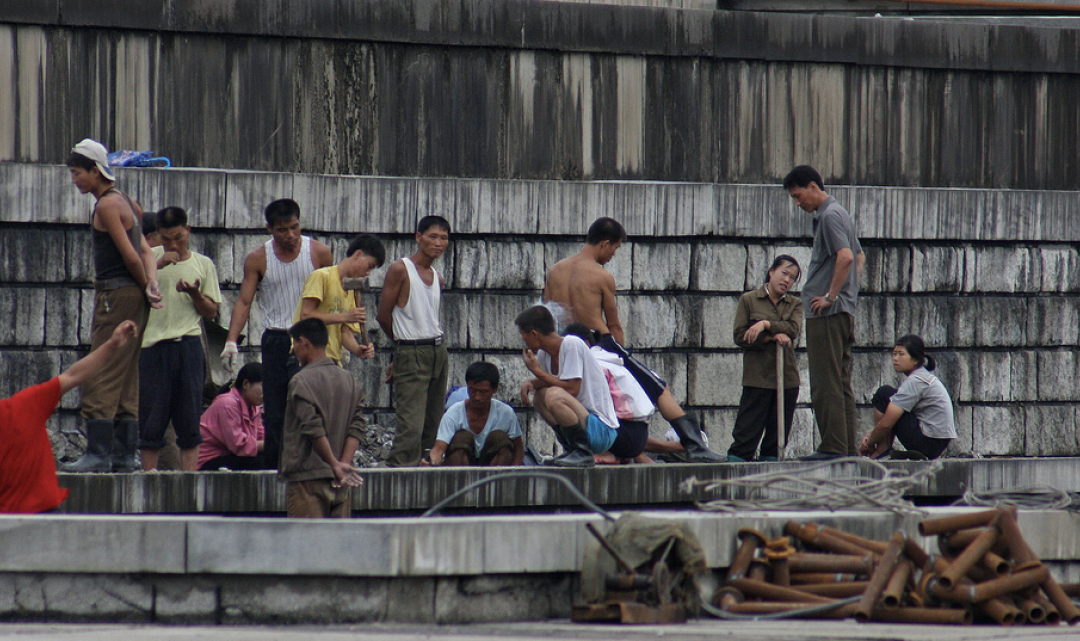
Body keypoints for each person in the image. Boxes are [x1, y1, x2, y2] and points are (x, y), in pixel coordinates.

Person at [544, 217, 722, 462]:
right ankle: (695, 447)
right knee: (659, 388)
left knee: (581, 403)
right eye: (615, 250)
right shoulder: (600, 275)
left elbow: (547, 316)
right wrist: (620, 358)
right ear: (605, 244)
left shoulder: (555, 271)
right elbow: (614, 323)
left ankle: (582, 449)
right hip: (600, 343)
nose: (612, 256)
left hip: (566, 346)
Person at [62, 139, 163, 473]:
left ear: (95, 171)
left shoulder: (106, 205)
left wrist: (143, 284)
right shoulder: (128, 202)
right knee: (126, 370)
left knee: (101, 367)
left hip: (116, 295)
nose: (75, 179)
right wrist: (151, 284)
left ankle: (99, 453)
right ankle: (123, 453)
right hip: (134, 295)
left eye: (77, 173)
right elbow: (148, 252)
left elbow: (131, 255)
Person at [220, 199, 334, 469]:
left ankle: (313, 465)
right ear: (270, 228)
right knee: (275, 412)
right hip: (276, 338)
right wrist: (231, 341)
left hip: (311, 338)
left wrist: (342, 339)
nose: (290, 235)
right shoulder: (258, 258)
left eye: (295, 227)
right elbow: (245, 302)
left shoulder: (319, 253)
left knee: (311, 405)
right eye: (283, 230)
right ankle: (275, 469)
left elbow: (333, 299)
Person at [2, 321, 139, 513]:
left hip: (40, 516)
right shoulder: (23, 406)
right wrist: (112, 345)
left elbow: (74, 376)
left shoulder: (23, 407)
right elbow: (73, 376)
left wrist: (112, 345)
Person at [783, 165, 865, 461]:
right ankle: (846, 448)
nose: (798, 203)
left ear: (813, 187)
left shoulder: (828, 216)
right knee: (841, 381)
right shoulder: (839, 212)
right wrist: (848, 295)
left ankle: (832, 447)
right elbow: (858, 256)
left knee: (825, 381)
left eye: (798, 195)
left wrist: (831, 296)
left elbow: (845, 257)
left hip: (828, 313)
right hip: (843, 310)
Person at [138, 207, 222, 471]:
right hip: (153, 347)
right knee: (151, 420)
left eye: (178, 237)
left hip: (188, 345)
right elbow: (131, 299)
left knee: (189, 420)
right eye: (166, 239)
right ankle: (148, 478)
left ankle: (189, 482)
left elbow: (211, 312)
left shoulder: (203, 263)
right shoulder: (148, 258)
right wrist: (154, 268)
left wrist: (195, 294)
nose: (173, 244)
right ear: (156, 236)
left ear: (188, 230)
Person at [516, 305, 648, 467]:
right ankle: (571, 448)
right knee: (540, 396)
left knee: (553, 395)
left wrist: (537, 371)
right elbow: (552, 380)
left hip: (602, 430)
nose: (525, 343)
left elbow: (571, 388)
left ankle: (582, 452)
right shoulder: (545, 354)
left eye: (525, 337)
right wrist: (531, 383)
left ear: (535, 334)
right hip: (583, 424)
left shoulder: (572, 343)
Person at [377, 216, 451, 467]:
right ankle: (397, 471)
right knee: (411, 424)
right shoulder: (401, 269)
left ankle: (425, 470)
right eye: (432, 237)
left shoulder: (436, 276)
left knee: (433, 421)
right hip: (412, 350)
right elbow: (383, 315)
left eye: (443, 238)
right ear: (418, 237)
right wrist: (402, 350)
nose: (438, 243)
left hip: (438, 349)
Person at [280, 318, 366, 518]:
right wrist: (341, 465)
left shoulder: (300, 381)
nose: (294, 351)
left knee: (307, 546)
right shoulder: (349, 380)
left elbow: (313, 428)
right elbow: (357, 426)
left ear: (304, 342)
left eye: (295, 345)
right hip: (339, 483)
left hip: (307, 481)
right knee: (338, 548)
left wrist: (333, 465)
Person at [728, 255, 804, 463]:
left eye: (792, 278)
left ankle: (770, 474)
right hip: (758, 377)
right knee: (746, 432)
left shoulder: (794, 304)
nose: (787, 280)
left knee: (776, 436)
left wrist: (765, 324)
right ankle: (735, 474)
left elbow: (793, 329)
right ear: (771, 272)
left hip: (786, 378)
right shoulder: (749, 300)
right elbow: (740, 335)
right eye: (784, 273)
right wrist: (771, 337)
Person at [859, 335, 956, 460]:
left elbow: (886, 424)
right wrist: (872, 436)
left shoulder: (916, 381)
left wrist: (868, 442)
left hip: (928, 442)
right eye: (894, 354)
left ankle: (881, 449)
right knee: (891, 397)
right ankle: (882, 448)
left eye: (901, 354)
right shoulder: (922, 376)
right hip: (934, 443)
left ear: (915, 359)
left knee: (884, 394)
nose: (895, 359)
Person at [293, 234, 384, 366]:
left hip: (332, 361)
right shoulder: (322, 276)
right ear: (358, 255)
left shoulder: (352, 289)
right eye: (369, 266)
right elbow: (306, 315)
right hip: (307, 358)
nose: (368, 273)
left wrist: (358, 350)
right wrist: (345, 316)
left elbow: (345, 332)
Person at [423, 362, 524, 467]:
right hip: (462, 470)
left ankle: (498, 481)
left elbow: (519, 448)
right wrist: (431, 462)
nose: (477, 397)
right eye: (473, 390)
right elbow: (439, 448)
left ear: (495, 389)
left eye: (483, 392)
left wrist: (514, 471)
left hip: (494, 469)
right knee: (462, 437)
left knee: (500, 438)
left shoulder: (506, 413)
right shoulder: (453, 413)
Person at [199, 362, 266, 471]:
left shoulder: (255, 408)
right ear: (246, 384)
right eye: (263, 386)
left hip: (231, 455)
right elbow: (238, 445)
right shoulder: (228, 404)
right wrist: (268, 445)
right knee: (258, 462)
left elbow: (261, 435)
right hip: (209, 459)